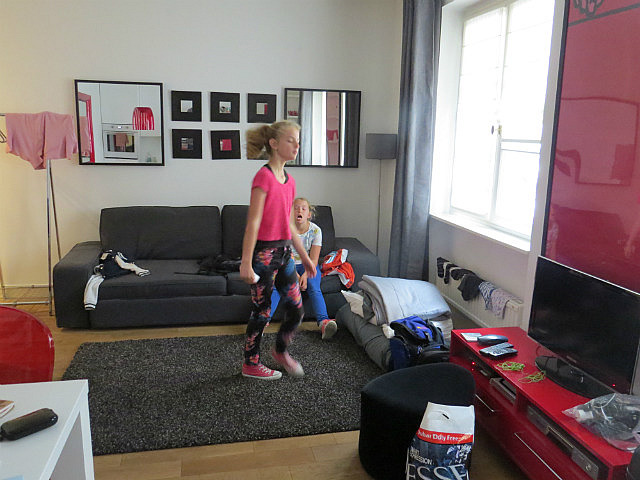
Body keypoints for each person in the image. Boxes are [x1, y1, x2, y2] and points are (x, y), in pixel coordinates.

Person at [240, 120, 316, 380]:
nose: (296, 146)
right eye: (290, 140)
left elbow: (288, 224)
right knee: (262, 312)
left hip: (285, 255)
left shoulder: (290, 181)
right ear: (273, 143)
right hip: (264, 256)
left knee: (296, 309)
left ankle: (280, 351)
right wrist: (245, 262)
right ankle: (251, 364)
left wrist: (305, 257)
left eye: (298, 141)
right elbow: (253, 222)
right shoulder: (263, 177)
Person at [270, 197, 338, 340]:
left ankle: (324, 322)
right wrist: (294, 275)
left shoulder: (316, 231)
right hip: (287, 264)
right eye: (295, 208)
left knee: (314, 286)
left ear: (308, 215)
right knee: (277, 286)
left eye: (303, 208)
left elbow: (314, 259)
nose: (299, 211)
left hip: (308, 264)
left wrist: (306, 275)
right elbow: (284, 257)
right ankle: (263, 321)